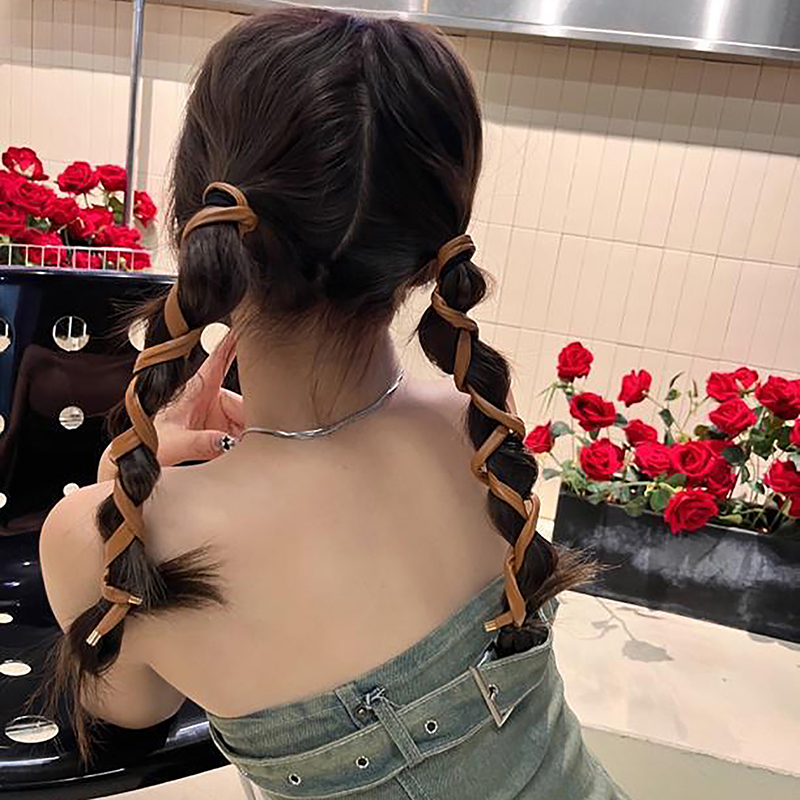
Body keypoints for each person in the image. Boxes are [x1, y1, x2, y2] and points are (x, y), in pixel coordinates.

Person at [40, 8, 629, 798]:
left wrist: (125, 486)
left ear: (195, 220)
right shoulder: (477, 431)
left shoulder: (110, 536)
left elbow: (131, 710)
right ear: (427, 252)